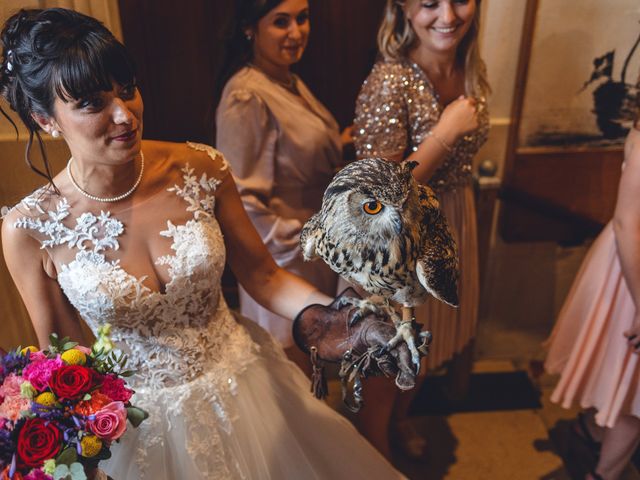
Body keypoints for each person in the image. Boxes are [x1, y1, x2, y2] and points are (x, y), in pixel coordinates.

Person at [0, 8, 408, 479]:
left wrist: (342, 319)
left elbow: (264, 275)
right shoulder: (29, 230)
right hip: (136, 425)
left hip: (241, 383)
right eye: (93, 103)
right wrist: (81, 457)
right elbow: (67, 358)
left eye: (127, 90)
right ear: (44, 119)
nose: (124, 114)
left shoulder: (199, 168)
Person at [351, 0, 489, 458]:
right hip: (398, 242)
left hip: (454, 223)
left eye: (460, 1)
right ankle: (375, 453)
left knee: (429, 345)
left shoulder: (471, 66)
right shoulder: (389, 79)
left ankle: (401, 420)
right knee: (392, 355)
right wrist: (446, 132)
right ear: (403, 10)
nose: (448, 16)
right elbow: (375, 198)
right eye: (429, 3)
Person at [215, 0, 349, 369]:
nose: (296, 32)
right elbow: (242, 199)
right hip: (284, 257)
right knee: (295, 376)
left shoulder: (288, 80)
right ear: (250, 28)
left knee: (315, 374)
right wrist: (306, 242)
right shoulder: (246, 95)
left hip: (315, 248)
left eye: (302, 18)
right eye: (281, 22)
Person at [545, 99, 640, 480]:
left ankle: (589, 431)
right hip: (634, 274)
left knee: (626, 385)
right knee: (634, 395)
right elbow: (627, 224)